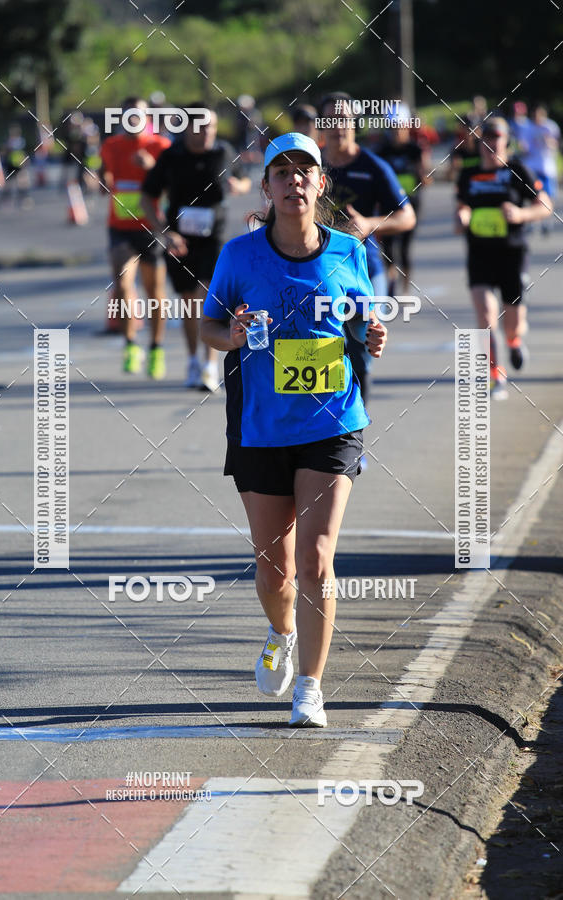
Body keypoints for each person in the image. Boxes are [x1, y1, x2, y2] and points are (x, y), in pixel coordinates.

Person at [200, 133, 387, 727]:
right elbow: (207, 324)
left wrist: (374, 336)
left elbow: (365, 321)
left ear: (320, 183)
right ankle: (281, 632)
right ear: (267, 187)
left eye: (304, 171)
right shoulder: (238, 256)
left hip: (333, 423)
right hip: (260, 427)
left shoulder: (349, 252)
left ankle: (310, 687)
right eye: (281, 172)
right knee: (273, 566)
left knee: (316, 560)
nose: (294, 181)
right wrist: (227, 336)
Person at [142, 105, 251, 391]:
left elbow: (245, 180)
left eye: (212, 127)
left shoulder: (223, 153)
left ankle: (209, 365)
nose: (207, 133)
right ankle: (192, 360)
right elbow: (147, 195)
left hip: (214, 239)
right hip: (180, 240)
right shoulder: (172, 156)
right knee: (189, 303)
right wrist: (164, 232)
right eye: (201, 127)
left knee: (209, 298)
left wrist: (238, 186)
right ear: (187, 128)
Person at [318, 92, 415, 404]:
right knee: (321, 346)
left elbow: (406, 216)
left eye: (344, 119)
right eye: (331, 120)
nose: (338, 126)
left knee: (361, 343)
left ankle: (354, 433)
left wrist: (370, 223)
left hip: (363, 268)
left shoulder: (372, 166)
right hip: (317, 268)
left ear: (355, 124)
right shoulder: (310, 164)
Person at [455, 117, 552, 397]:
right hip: (480, 254)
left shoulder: (516, 171)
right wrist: (462, 216)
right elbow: (460, 210)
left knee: (512, 324)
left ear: (506, 141)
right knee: (485, 318)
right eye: (486, 138)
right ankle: (496, 375)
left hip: (512, 254)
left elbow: (545, 204)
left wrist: (521, 214)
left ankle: (514, 340)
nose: (491, 144)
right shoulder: (468, 175)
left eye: (497, 138)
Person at [100, 97, 172, 378]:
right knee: (122, 282)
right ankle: (130, 343)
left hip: (151, 226)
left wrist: (152, 166)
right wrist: (101, 178)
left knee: (155, 293)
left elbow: (171, 186)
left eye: (139, 115)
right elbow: (106, 172)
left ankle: (156, 348)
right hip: (120, 225)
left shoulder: (160, 147)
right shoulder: (111, 146)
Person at [378, 120, 427, 293]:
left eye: (400, 128)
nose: (397, 132)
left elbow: (424, 175)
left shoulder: (414, 149)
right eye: (393, 129)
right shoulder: (383, 150)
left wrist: (424, 175)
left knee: (405, 248)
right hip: (388, 204)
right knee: (388, 247)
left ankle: (405, 288)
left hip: (410, 204)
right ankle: (391, 284)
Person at [525, 104, 560, 233]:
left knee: (548, 196)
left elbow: (556, 144)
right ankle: (533, 221)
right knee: (534, 195)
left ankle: (547, 222)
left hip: (547, 167)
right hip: (532, 166)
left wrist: (549, 141)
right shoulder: (528, 127)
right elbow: (525, 146)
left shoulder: (549, 126)